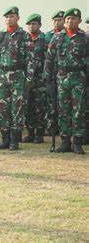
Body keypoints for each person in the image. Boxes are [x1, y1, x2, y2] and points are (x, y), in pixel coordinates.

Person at [0, 6, 34, 150]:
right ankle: (5, 139)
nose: (9, 19)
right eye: (7, 17)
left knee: (18, 108)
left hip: (18, 75)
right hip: (2, 75)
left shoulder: (24, 36)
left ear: (18, 18)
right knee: (3, 108)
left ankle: (15, 140)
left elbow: (30, 59)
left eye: (12, 16)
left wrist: (29, 78)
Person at [44, 8, 87, 155]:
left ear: (79, 21)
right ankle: (65, 141)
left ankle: (77, 142)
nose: (69, 21)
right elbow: (49, 60)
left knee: (78, 111)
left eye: (73, 19)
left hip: (79, 78)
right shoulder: (57, 37)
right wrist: (48, 80)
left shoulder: (85, 38)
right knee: (63, 110)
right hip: (62, 79)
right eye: (67, 19)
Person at [22, 14, 47, 144]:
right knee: (27, 107)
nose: (32, 26)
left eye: (34, 24)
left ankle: (40, 134)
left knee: (40, 107)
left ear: (40, 25)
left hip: (39, 79)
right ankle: (30, 132)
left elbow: (49, 60)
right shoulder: (23, 39)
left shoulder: (45, 40)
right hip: (25, 79)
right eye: (30, 24)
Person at [44, 10, 65, 136]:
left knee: (63, 103)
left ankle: (65, 129)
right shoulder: (47, 36)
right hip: (51, 74)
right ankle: (52, 127)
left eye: (59, 20)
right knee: (51, 102)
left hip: (64, 74)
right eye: (55, 20)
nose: (57, 23)